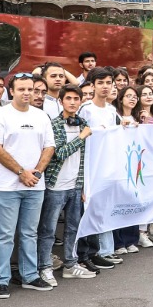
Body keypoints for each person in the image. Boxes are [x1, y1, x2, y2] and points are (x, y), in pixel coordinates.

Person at [0, 74, 56, 298]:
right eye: (22, 89)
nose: (28, 93)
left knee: (29, 233)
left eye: (32, 89)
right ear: (12, 91)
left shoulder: (41, 116)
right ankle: (1, 279)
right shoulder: (0, 116)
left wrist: (36, 172)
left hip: (35, 185)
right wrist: (21, 172)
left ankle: (30, 276)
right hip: (6, 187)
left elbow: (49, 147)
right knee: (4, 235)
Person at [43, 84, 94, 278]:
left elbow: (87, 156)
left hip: (76, 184)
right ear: (60, 101)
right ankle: (45, 266)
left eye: (76, 99)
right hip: (55, 185)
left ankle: (70, 265)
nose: (72, 102)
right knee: (48, 229)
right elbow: (60, 153)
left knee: (73, 227)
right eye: (69, 98)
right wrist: (81, 137)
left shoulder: (83, 123)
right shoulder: (54, 124)